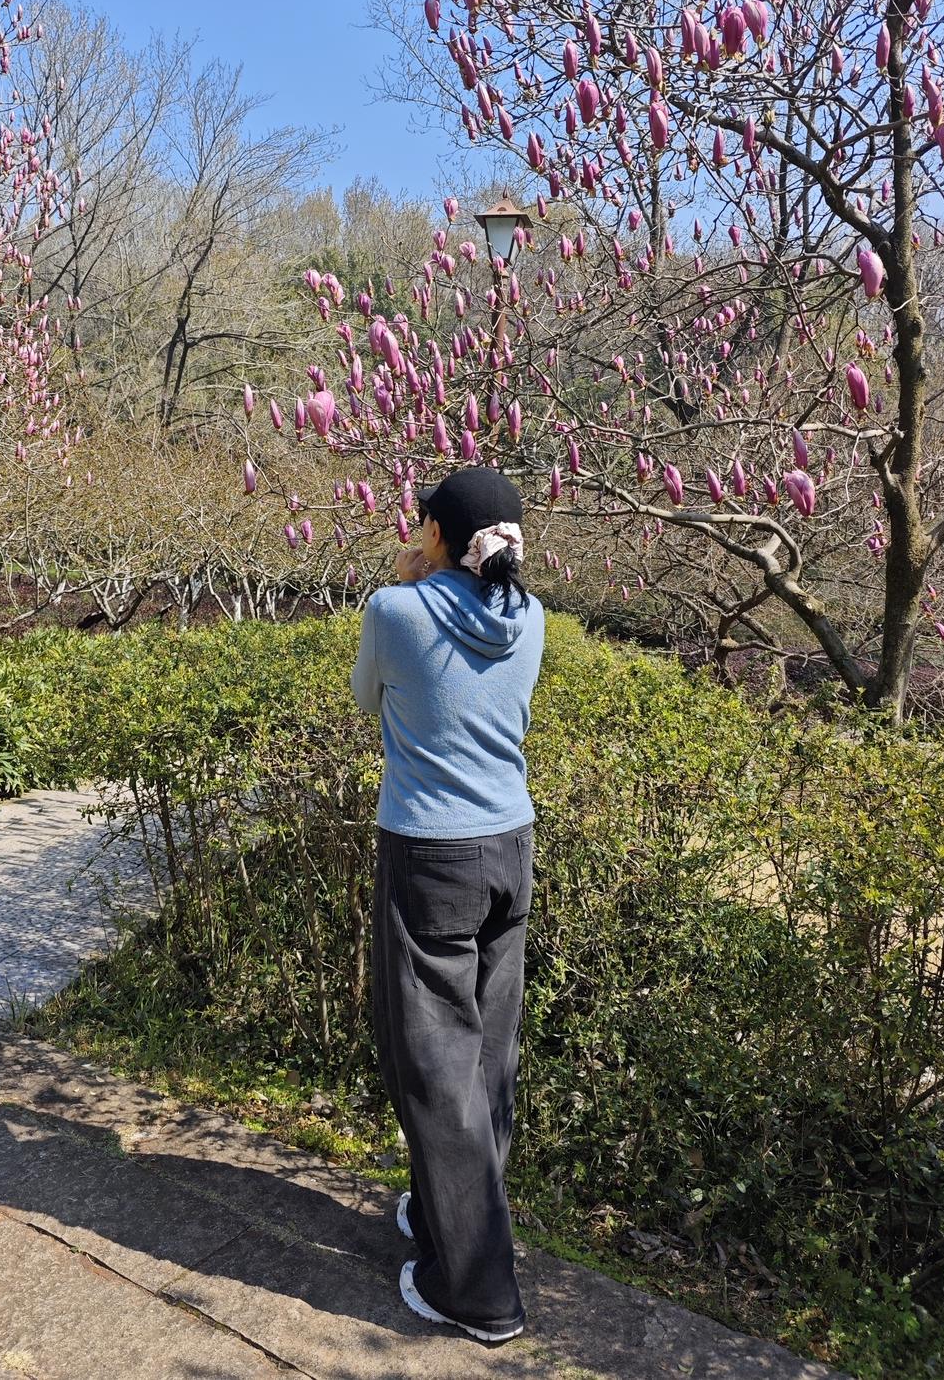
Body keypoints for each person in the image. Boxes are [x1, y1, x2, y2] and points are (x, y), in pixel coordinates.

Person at [350, 465, 546, 1345]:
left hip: (430, 853)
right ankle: (446, 1213)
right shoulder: (531, 616)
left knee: (433, 1061)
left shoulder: (396, 611)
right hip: (510, 845)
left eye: (422, 520)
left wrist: (408, 582)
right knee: (488, 1052)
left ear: (436, 534)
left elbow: (367, 698)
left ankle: (476, 1289)